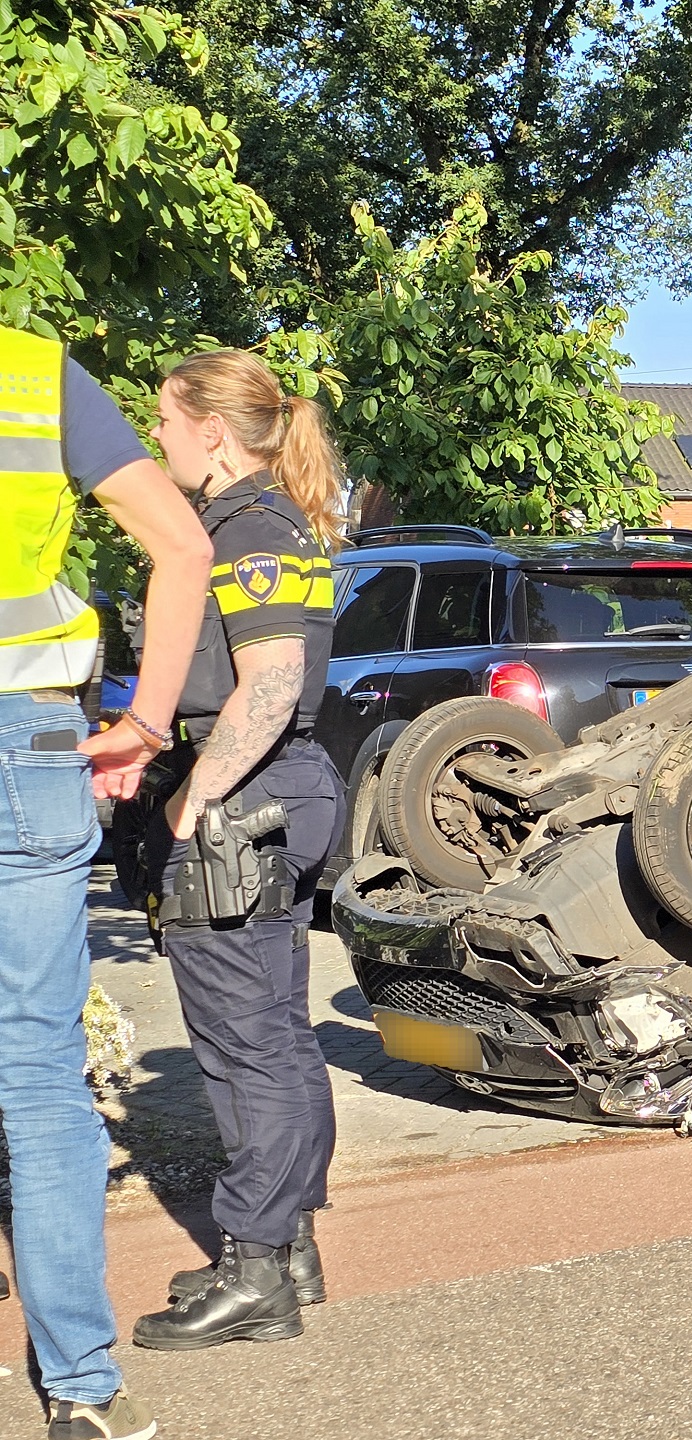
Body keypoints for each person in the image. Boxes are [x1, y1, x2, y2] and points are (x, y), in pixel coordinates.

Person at [0, 324, 213, 1440]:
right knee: (36, 1079)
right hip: (24, 748)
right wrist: (141, 722)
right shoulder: (34, 377)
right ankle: (78, 1390)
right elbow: (181, 548)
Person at [122, 350, 347, 1352]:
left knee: (242, 1042)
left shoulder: (244, 528)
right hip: (286, 794)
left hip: (244, 800)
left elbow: (267, 683)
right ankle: (287, 1247)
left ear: (212, 431)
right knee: (280, 1033)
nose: (156, 439)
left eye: (165, 422)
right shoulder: (277, 518)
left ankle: (256, 1272)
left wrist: (189, 807)